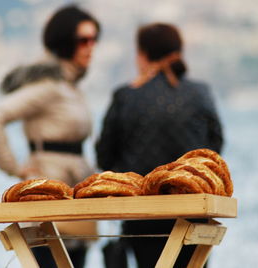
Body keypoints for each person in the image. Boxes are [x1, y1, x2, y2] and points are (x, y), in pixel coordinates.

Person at [96, 23, 224, 268]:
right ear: (179, 52)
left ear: (142, 55)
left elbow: (104, 156)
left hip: (142, 214)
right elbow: (214, 149)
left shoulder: (126, 96)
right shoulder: (199, 93)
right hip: (193, 211)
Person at [0, 5, 100, 268]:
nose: (91, 46)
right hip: (49, 196)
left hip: (74, 194)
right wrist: (15, 168)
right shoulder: (47, 86)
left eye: (94, 39)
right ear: (66, 42)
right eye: (84, 40)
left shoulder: (69, 86)